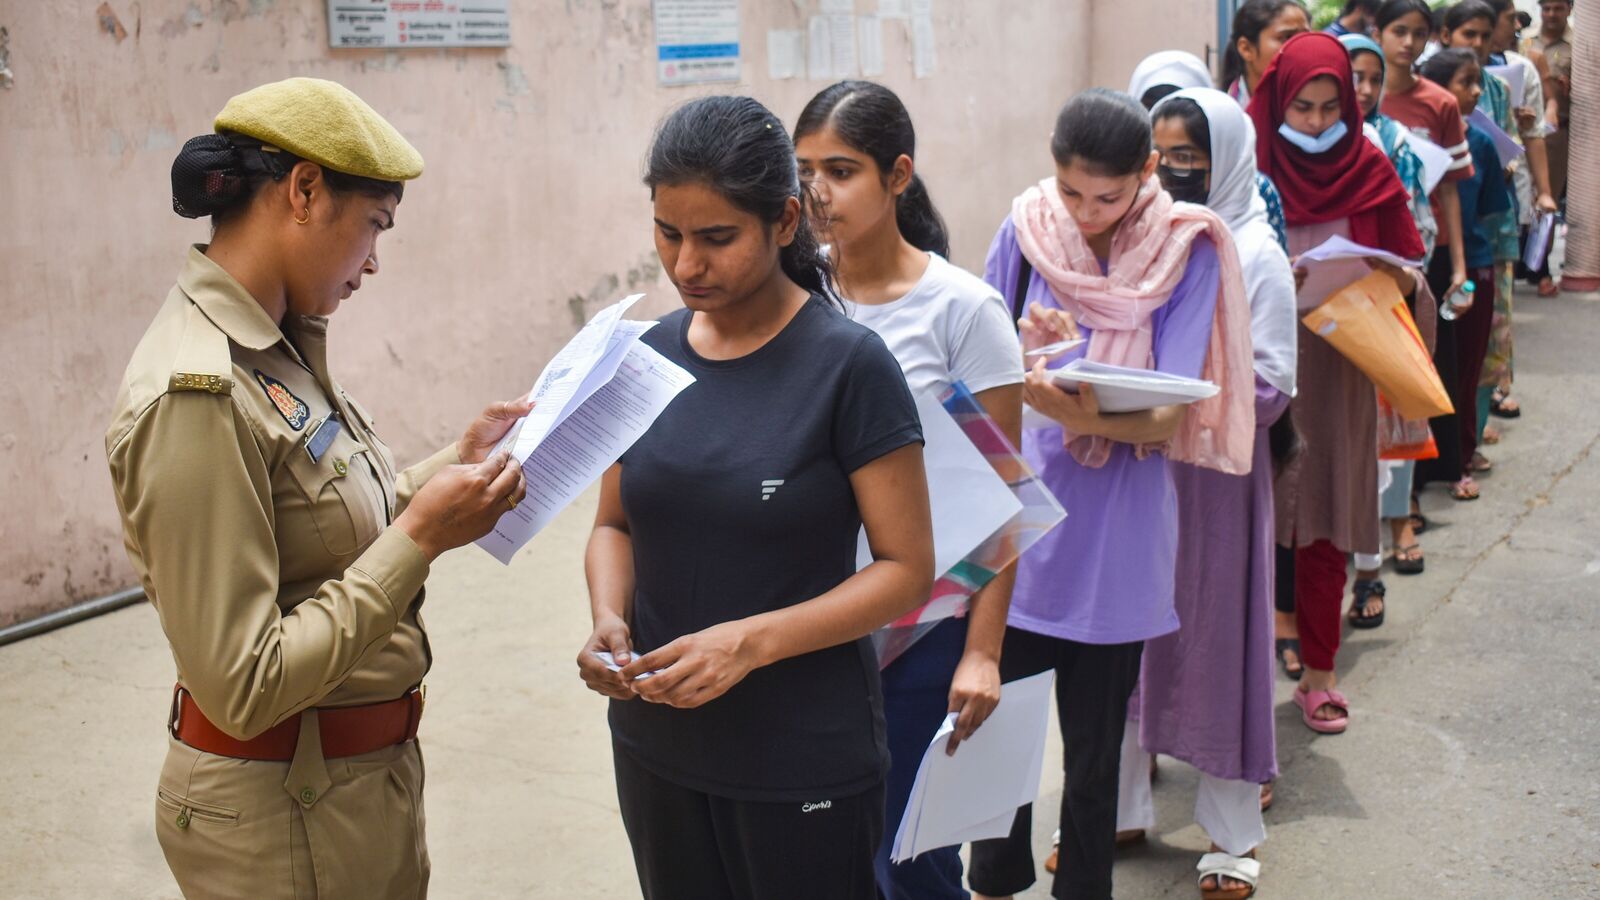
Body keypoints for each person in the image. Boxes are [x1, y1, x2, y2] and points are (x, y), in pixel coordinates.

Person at [105, 77, 533, 898]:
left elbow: (321, 528)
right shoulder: (196, 391)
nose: (374, 261)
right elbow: (242, 682)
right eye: (374, 225)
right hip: (279, 818)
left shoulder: (275, 343)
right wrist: (419, 540)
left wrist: (452, 468)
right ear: (304, 191)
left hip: (344, 790)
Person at [577, 95, 935, 900]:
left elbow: (907, 569)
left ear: (782, 222)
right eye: (668, 233)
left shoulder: (848, 367)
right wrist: (609, 618)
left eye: (715, 238)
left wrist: (749, 644)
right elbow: (614, 524)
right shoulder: (643, 358)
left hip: (801, 753)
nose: (686, 265)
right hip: (655, 743)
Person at [967, 88, 1255, 900]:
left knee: (1096, 758)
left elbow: (1170, 415)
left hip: (1120, 535)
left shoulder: (1188, 248)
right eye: (1071, 192)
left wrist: (1060, 401)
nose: (1087, 214)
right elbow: (981, 386)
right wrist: (1029, 393)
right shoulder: (1024, 234)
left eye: (1109, 196)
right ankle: (992, 884)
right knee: (995, 742)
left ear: (1149, 173)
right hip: (1020, 528)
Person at [792, 80, 1024, 900]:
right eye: (804, 169)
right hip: (811, 626)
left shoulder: (963, 312)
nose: (817, 191)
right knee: (826, 855)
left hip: (923, 639)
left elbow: (1006, 501)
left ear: (898, 176)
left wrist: (983, 654)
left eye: (842, 169)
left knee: (911, 864)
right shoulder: (792, 298)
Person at [1114, 86, 1299, 900]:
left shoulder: (1252, 252)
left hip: (1217, 479)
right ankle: (1121, 809)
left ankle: (1230, 837)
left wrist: (1178, 396)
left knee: (1220, 642)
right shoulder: (1140, 240)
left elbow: (1273, 383)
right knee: (1126, 636)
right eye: (1165, 159)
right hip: (1137, 468)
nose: (1176, 175)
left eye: (1192, 160)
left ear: (1224, 161)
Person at [1248, 32, 1428, 733]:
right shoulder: (1250, 167)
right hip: (1263, 362)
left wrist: (1385, 274)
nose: (1319, 124)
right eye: (1304, 107)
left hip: (1339, 360)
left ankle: (1321, 676)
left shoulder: (1371, 167)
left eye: (1332, 107)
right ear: (1277, 102)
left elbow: (1409, 264)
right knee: (1254, 526)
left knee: (1324, 525)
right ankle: (1253, 673)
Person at [1343, 32, 1440, 583]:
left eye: (1374, 79)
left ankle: (1398, 521)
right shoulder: (1311, 144)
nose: (1365, 88)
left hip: (1386, 294)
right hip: (1326, 306)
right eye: (1355, 76)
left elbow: (1416, 223)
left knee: (1394, 419)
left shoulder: (1393, 140)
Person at [1377, 0, 1480, 501]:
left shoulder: (1439, 103)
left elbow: (1451, 191)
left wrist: (1458, 264)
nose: (1408, 43)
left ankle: (1433, 474)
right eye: (1399, 30)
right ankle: (1393, 492)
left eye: (1419, 33)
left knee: (1433, 364)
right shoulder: (1359, 98)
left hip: (1429, 250)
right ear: (1378, 32)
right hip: (1374, 254)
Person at [1413, 49, 1515, 498]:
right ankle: (1421, 464)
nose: (1476, 92)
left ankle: (1462, 455)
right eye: (1465, 82)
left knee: (1467, 364)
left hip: (1471, 264)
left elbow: (1494, 209)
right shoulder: (1405, 138)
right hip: (1422, 263)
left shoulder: (1483, 143)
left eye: (1477, 82)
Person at [1440, 0, 1522, 481]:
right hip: (1442, 253)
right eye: (1468, 33)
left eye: (1484, 35)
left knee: (1482, 350)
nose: (1477, 43)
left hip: (1486, 244)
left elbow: (1498, 189)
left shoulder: (1494, 100)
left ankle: (1468, 442)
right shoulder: (1419, 111)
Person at [1129, 49, 1291, 251]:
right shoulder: (1132, 203)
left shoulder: (1255, 248)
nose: (1165, 166)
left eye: (1181, 156)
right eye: (1152, 108)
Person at [1221, 0, 1313, 106]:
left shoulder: (1322, 108)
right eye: (1287, 37)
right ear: (1246, 49)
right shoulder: (1223, 115)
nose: (1301, 46)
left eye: (1305, 37)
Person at [1525, 0, 1572, 203]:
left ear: (1569, 9)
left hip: (1555, 132)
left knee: (1547, 197)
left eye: (1558, 9)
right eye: (1547, 9)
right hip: (1522, 127)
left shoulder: (1580, 45)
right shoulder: (1525, 39)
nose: (1552, 14)